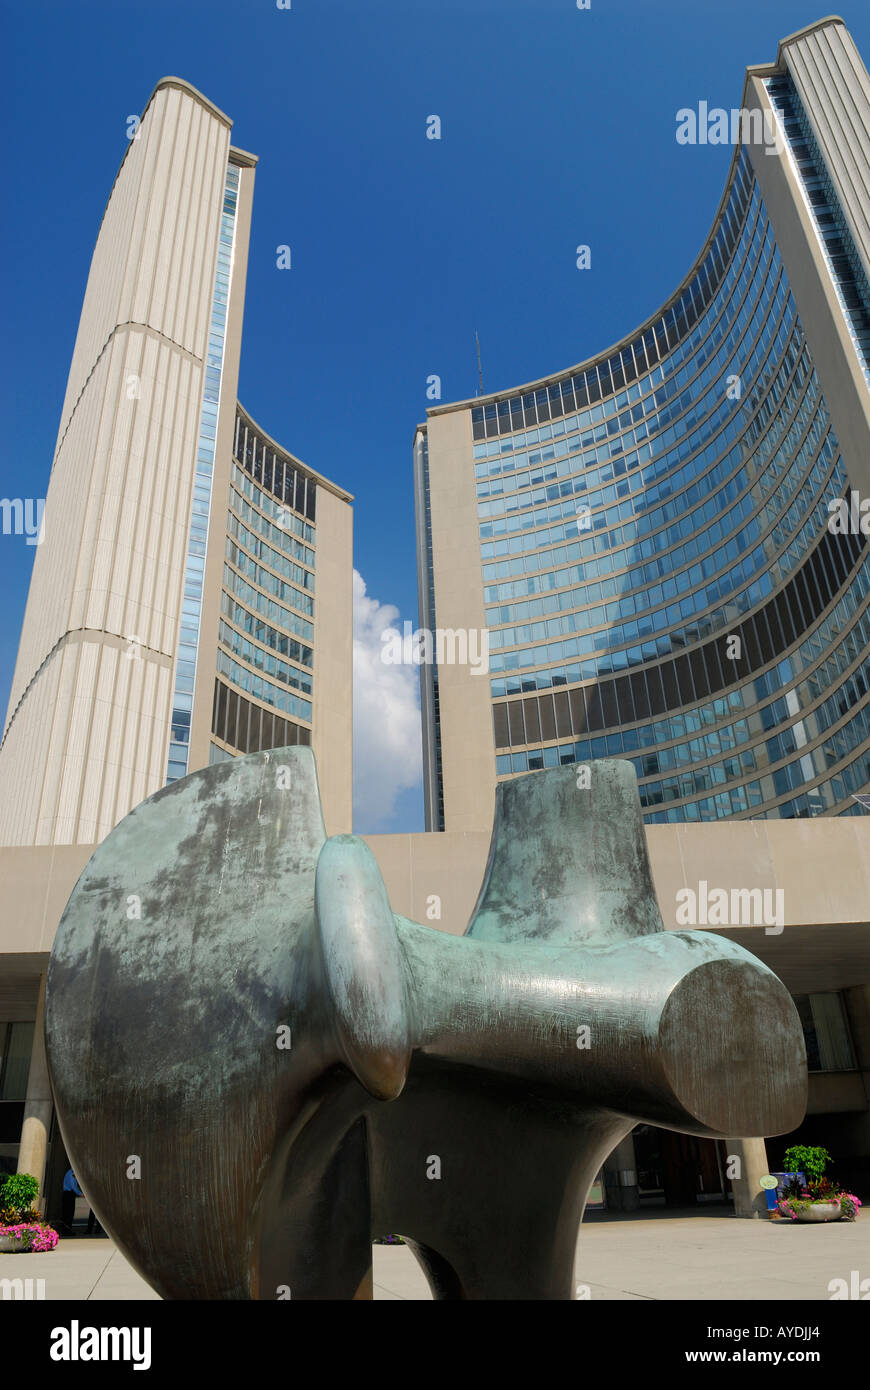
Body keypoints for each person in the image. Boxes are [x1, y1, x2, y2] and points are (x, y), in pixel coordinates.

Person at [61, 1168, 82, 1236]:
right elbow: (73, 1186)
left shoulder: (70, 1172)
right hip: (69, 1194)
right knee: (69, 1213)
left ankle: (66, 1230)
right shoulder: (71, 1173)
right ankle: (67, 1231)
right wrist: (80, 1193)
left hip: (68, 1194)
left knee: (67, 1213)